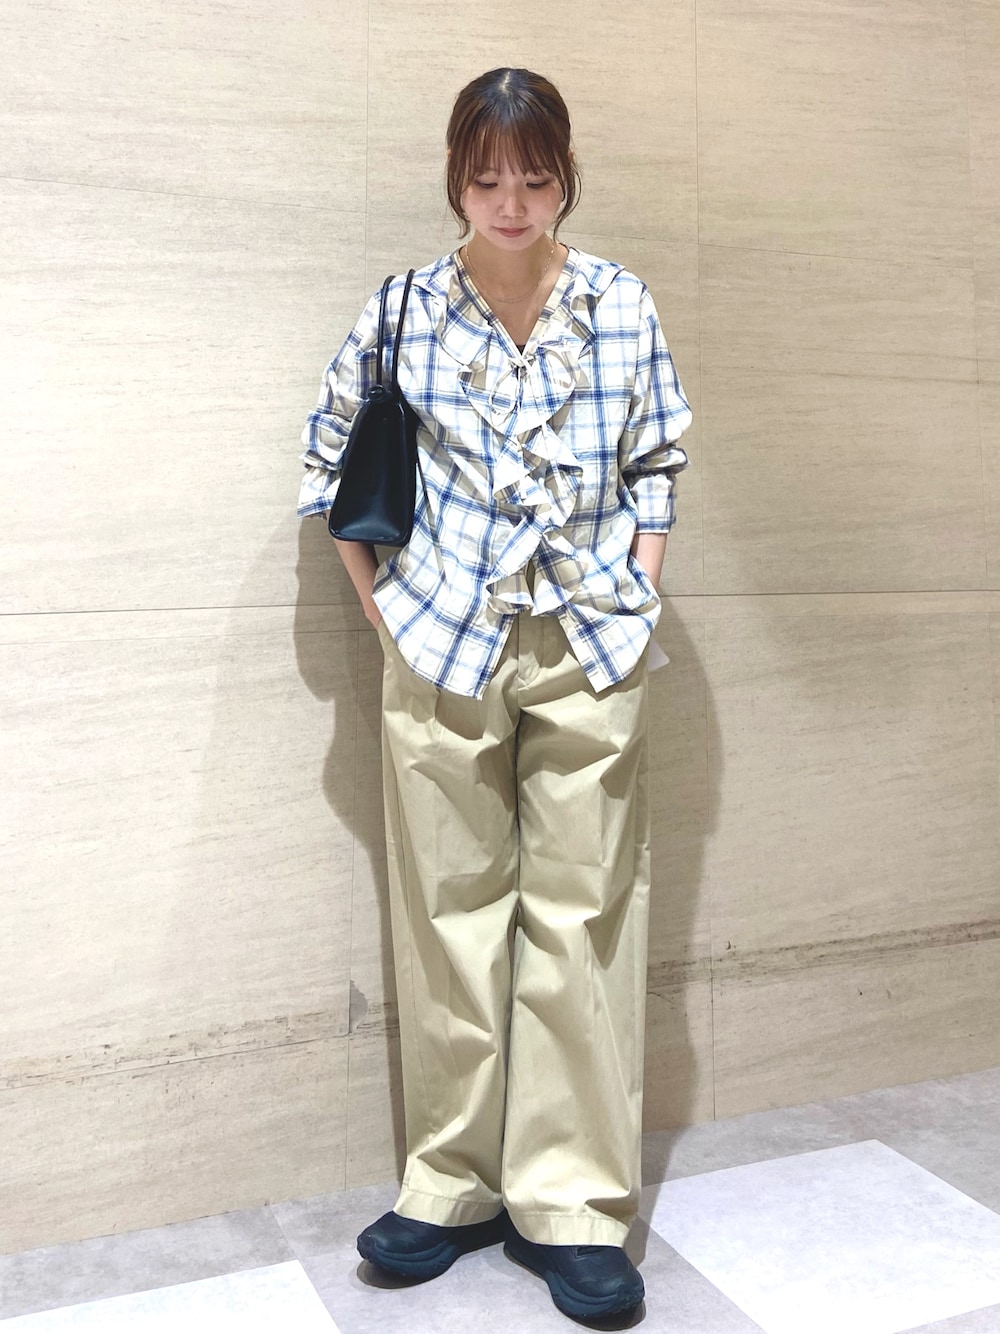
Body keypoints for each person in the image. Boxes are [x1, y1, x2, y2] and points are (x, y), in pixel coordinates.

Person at [298, 66, 691, 1322]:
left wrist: (635, 589)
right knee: (448, 910)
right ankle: (451, 1182)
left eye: (532, 176)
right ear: (454, 179)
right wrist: (381, 607)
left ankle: (571, 1202)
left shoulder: (619, 302)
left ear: (564, 174)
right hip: (442, 641)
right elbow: (328, 455)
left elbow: (657, 457)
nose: (509, 202)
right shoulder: (404, 308)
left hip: (586, 638)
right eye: (485, 178)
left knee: (584, 914)